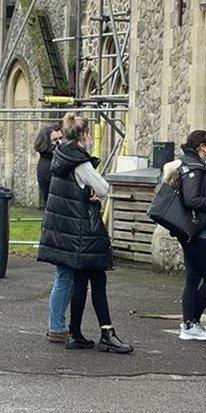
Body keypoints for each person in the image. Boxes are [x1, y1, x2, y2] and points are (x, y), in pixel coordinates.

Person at [38, 113, 133, 353]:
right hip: (82, 228)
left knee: (79, 279)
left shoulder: (60, 156)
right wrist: (91, 190)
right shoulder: (80, 162)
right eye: (88, 133)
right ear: (82, 136)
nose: (91, 138)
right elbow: (102, 187)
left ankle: (75, 331)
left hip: (66, 228)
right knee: (96, 278)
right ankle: (104, 332)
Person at [171, 130, 206, 342]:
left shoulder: (187, 164)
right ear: (202, 146)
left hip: (189, 231)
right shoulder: (195, 168)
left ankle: (191, 322)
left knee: (193, 277)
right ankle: (190, 322)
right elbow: (192, 199)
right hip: (197, 231)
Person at [34, 123, 63, 209]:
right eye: (55, 139)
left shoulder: (55, 160)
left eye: (61, 138)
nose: (59, 142)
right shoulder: (47, 164)